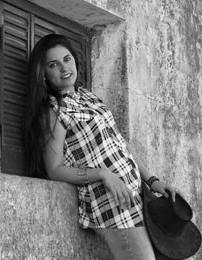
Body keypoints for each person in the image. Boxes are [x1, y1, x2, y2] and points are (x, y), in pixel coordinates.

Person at [23, 34, 179, 260]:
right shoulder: (54, 110)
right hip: (111, 205)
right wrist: (103, 174)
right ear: (44, 74)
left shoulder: (88, 96)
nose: (64, 68)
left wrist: (153, 180)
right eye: (53, 64)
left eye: (67, 59)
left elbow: (120, 142)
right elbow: (53, 169)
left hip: (137, 197)